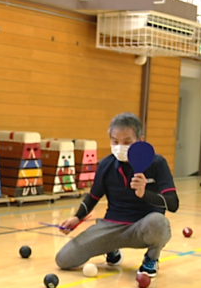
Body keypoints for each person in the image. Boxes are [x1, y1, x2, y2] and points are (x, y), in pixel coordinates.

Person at [56, 113, 178, 279]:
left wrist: (145, 194)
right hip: (111, 226)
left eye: (127, 142)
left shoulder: (157, 163)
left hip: (142, 229)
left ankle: (151, 259)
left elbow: (173, 204)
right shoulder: (106, 164)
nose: (120, 146)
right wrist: (76, 218)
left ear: (140, 140)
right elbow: (93, 197)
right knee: (63, 259)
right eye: (115, 142)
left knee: (159, 222)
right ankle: (111, 249)